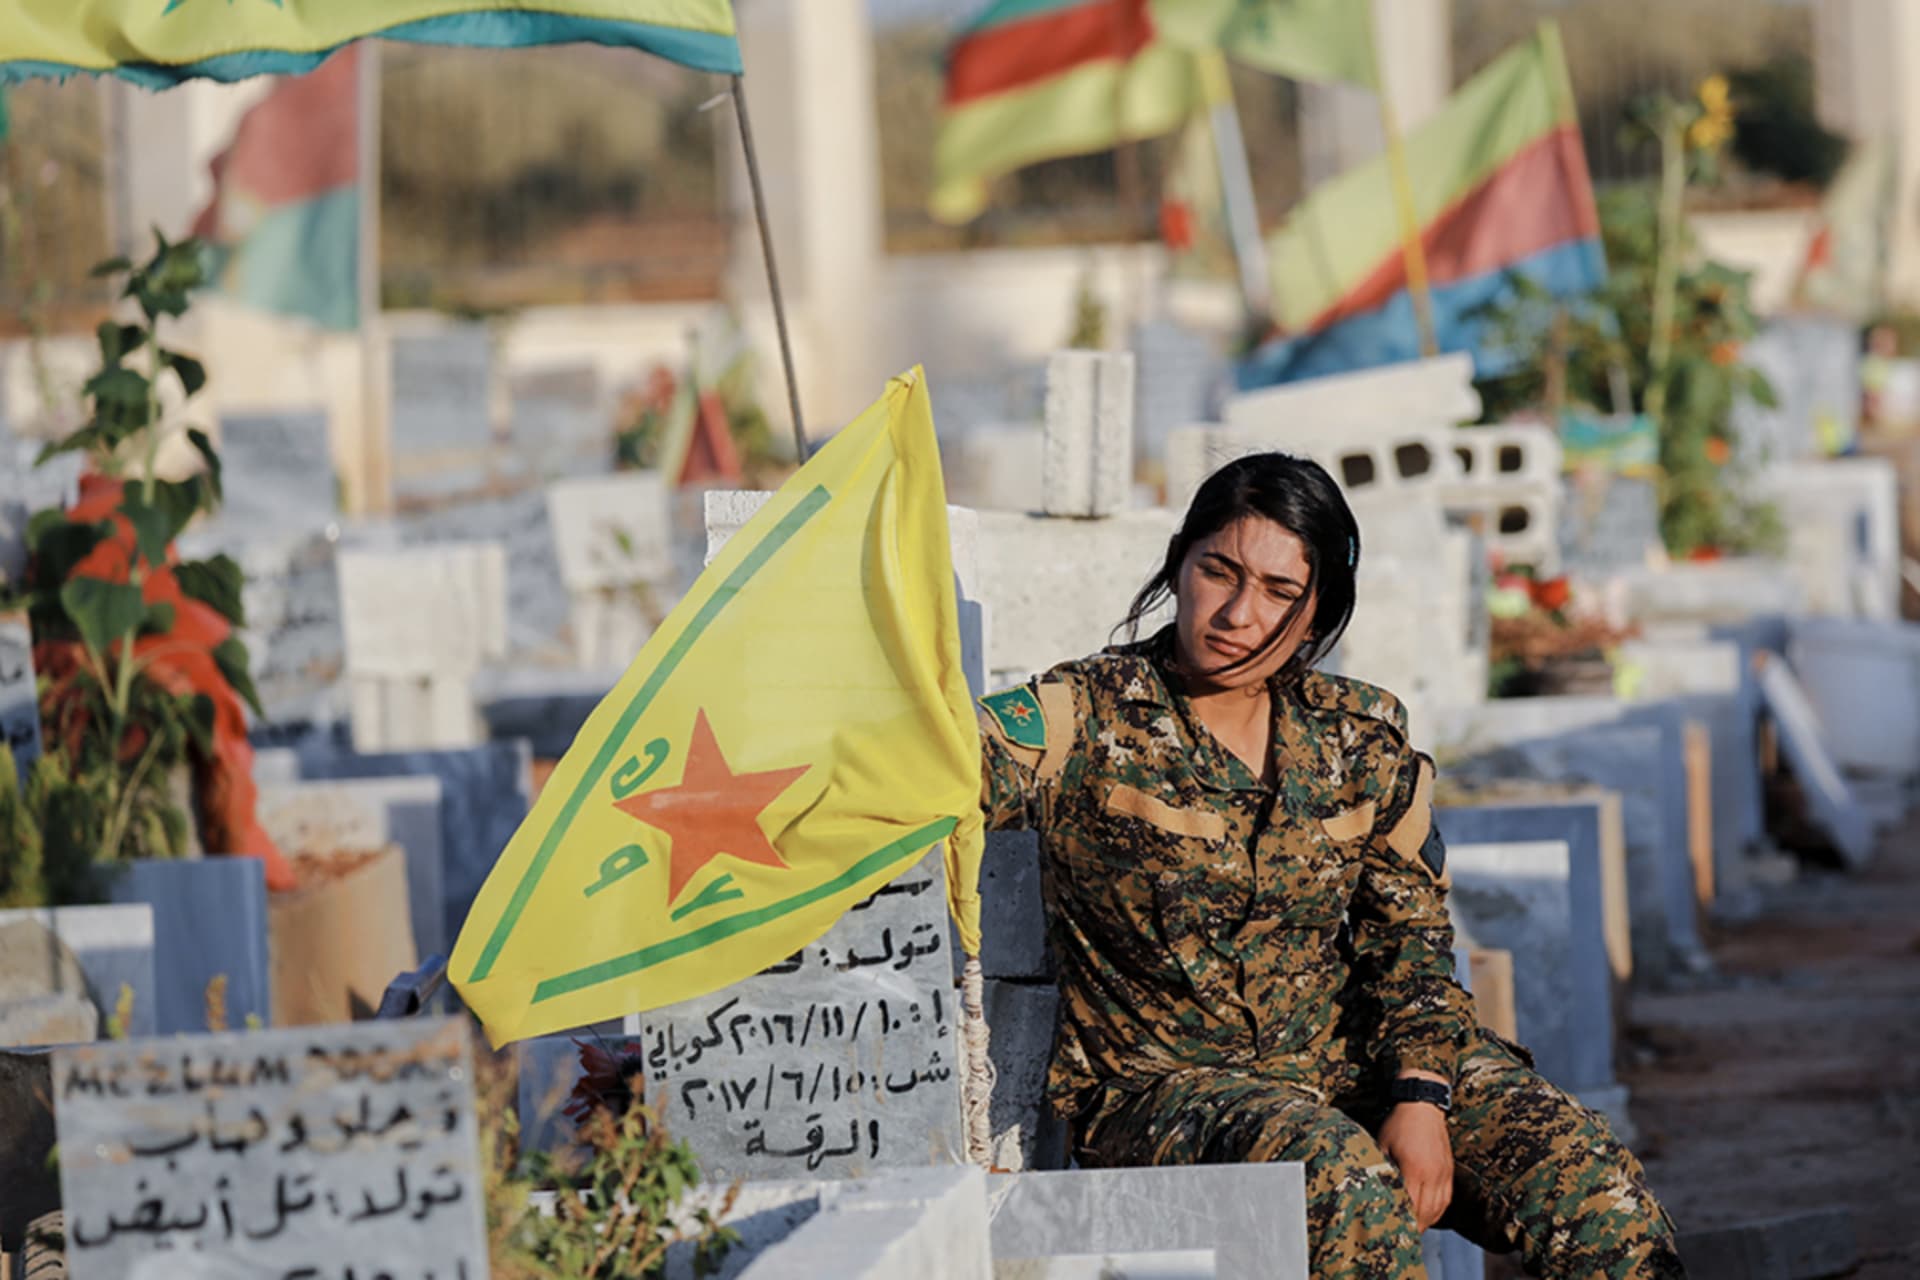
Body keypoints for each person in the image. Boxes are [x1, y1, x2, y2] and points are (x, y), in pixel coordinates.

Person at [975, 453, 1684, 1278]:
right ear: (1180, 565)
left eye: (1280, 593)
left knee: (1585, 1175)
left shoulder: (1360, 738)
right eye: (1219, 571)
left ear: (1316, 616)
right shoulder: (1084, 716)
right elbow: (934, 765)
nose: (1240, 613)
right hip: (1164, 1098)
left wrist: (1420, 1094)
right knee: (1339, 1181)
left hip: (1345, 1067)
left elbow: (1411, 947)